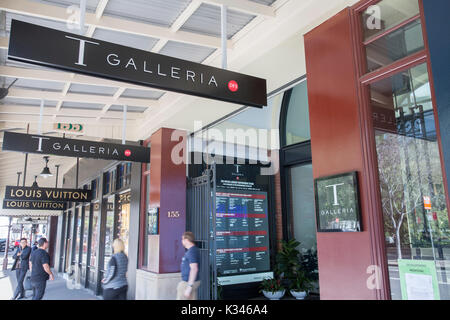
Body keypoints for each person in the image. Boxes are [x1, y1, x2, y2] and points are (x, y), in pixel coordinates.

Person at [177, 231, 201, 300]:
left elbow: (194, 269)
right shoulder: (193, 250)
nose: (182, 241)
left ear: (186, 240)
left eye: (182, 239)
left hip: (187, 283)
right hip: (191, 282)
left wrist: (189, 286)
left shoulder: (191, 252)